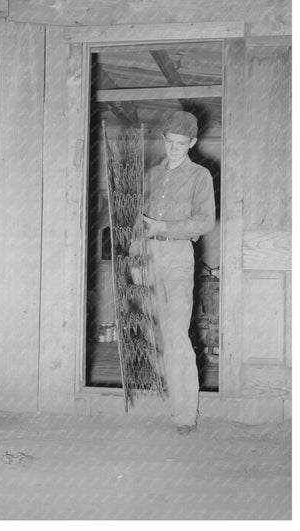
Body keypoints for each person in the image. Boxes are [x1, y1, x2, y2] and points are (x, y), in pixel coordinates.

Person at [141, 111, 215, 435]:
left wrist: (165, 227)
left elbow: (204, 222)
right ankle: (171, 404)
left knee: (176, 335)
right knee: (157, 334)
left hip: (177, 257)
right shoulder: (151, 175)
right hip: (149, 255)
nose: (174, 148)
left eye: (181, 144)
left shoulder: (200, 176)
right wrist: (133, 252)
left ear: (193, 143)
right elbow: (137, 219)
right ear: (164, 141)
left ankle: (185, 414)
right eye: (170, 142)